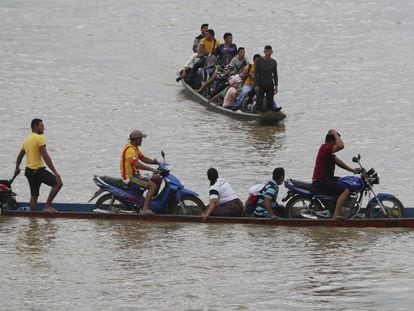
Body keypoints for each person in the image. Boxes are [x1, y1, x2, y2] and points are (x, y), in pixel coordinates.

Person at [14, 118, 63, 212]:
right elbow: (45, 156)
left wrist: (17, 168)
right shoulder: (39, 138)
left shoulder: (26, 140)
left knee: (34, 195)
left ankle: (32, 218)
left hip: (29, 172)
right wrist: (55, 173)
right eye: (41, 126)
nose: (43, 127)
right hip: (38, 171)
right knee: (58, 183)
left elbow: (19, 156)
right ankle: (47, 206)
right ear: (35, 127)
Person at [312, 129, 360, 219]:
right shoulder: (326, 148)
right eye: (336, 140)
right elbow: (341, 145)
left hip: (326, 179)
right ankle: (336, 216)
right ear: (331, 141)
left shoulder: (327, 151)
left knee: (343, 182)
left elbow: (339, 162)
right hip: (321, 180)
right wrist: (334, 132)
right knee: (345, 191)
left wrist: (352, 170)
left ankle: (338, 208)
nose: (336, 143)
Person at [120, 130, 161, 214]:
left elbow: (143, 158)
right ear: (136, 139)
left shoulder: (135, 148)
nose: (142, 140)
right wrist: (151, 169)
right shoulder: (129, 150)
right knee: (153, 186)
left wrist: (156, 162)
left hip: (136, 174)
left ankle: (151, 200)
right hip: (130, 177)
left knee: (158, 178)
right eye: (141, 139)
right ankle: (145, 209)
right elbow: (137, 164)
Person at [254, 45, 280, 114]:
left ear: (272, 52)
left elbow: (275, 74)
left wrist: (276, 85)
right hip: (260, 84)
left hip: (270, 84)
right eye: (266, 51)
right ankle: (258, 111)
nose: (268, 53)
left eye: (269, 51)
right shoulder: (259, 61)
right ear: (264, 52)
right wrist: (256, 85)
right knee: (259, 99)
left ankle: (269, 111)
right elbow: (256, 74)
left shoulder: (273, 62)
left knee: (270, 99)